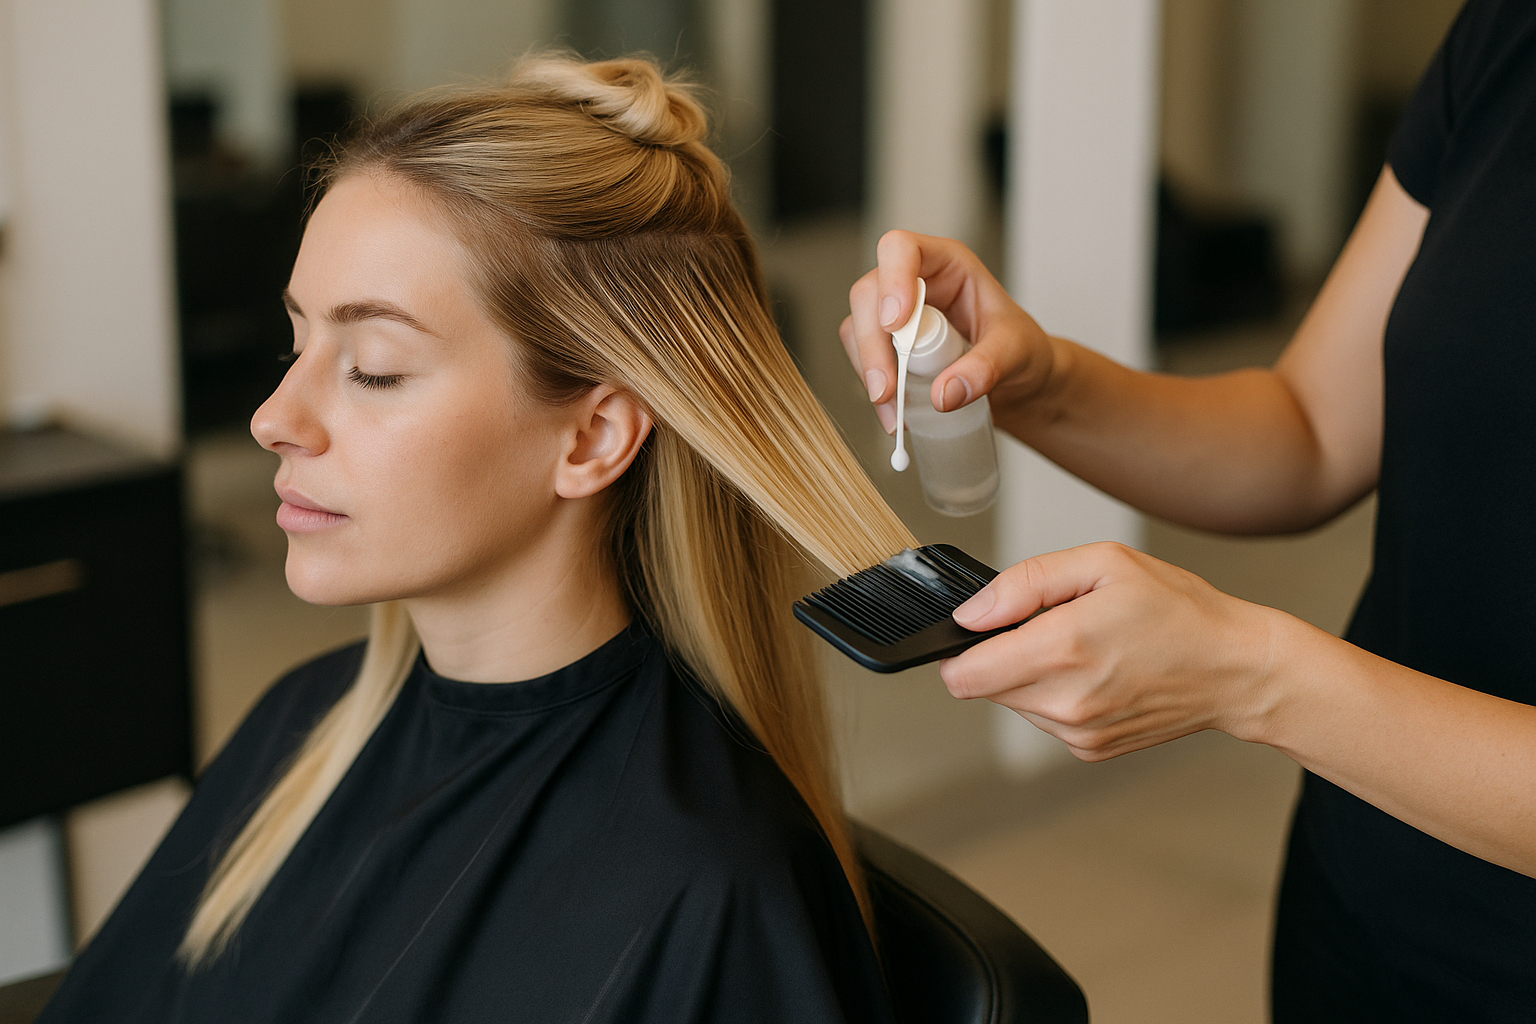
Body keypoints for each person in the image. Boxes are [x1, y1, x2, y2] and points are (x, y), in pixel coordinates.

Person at [41, 55, 910, 1024]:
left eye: (373, 366)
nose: (274, 416)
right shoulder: (307, 721)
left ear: (592, 437)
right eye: (296, 345)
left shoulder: (700, 890)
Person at [841, 0, 1536, 1018]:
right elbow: (1309, 429)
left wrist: (1257, 677)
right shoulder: (1506, 38)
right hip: (1360, 910)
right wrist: (1038, 381)